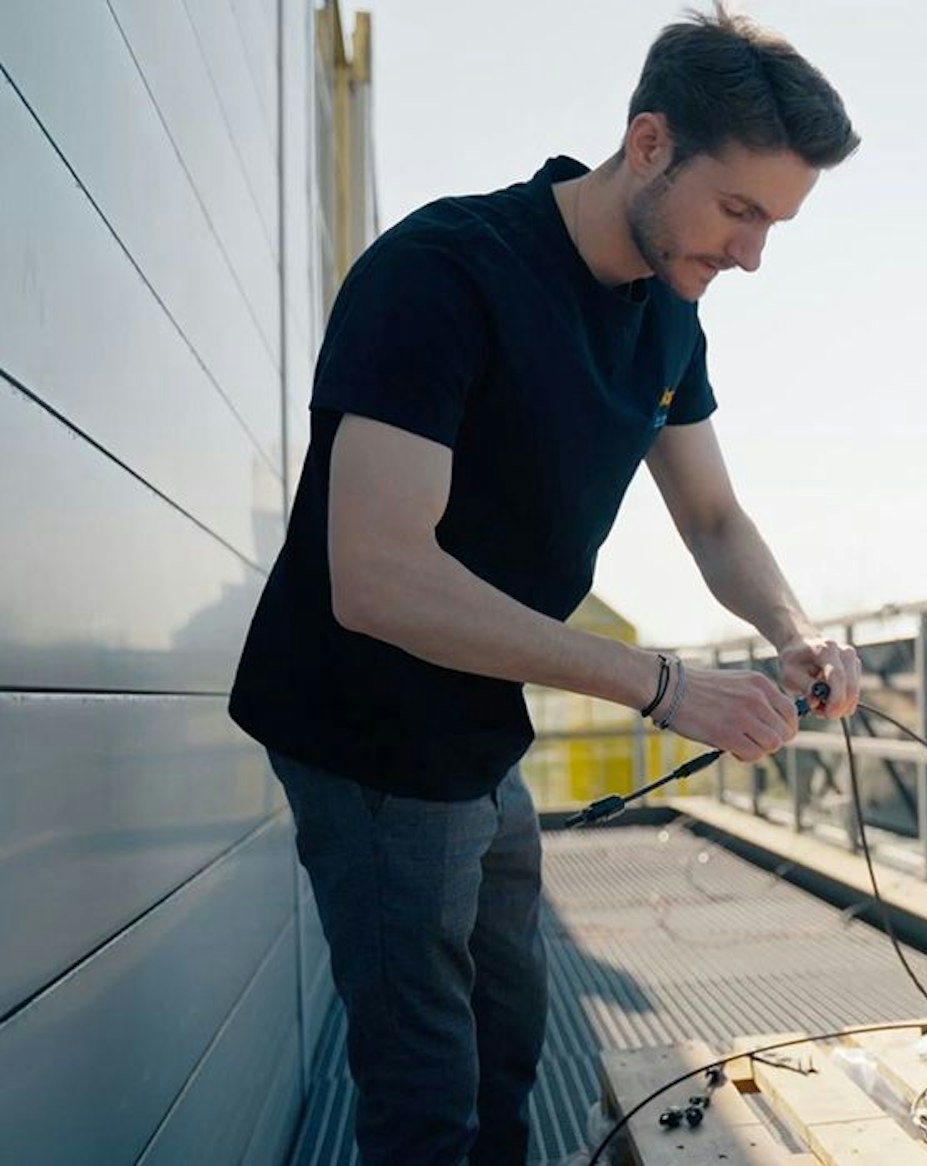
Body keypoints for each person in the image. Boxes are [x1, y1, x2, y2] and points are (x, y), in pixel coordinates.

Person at [227, 10, 861, 1163]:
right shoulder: (441, 271)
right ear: (651, 141)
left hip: (478, 722)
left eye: (776, 225)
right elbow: (376, 577)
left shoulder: (672, 310)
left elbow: (712, 516)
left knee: (511, 1028)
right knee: (429, 1086)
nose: (754, 256)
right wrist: (666, 687)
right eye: (741, 212)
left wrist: (794, 628)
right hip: (364, 725)